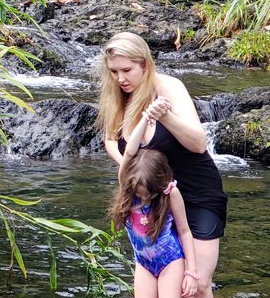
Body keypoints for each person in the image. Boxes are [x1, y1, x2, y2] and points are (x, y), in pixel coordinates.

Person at [97, 32, 227, 298]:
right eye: (113, 71)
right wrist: (130, 168)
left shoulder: (169, 88)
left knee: (197, 284)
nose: (120, 78)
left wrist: (165, 117)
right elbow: (111, 139)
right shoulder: (117, 95)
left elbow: (199, 144)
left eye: (127, 70)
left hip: (197, 194)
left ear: (145, 64)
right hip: (152, 201)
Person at [110, 118, 199, 298]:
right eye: (139, 194)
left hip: (170, 260)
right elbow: (128, 154)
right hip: (143, 263)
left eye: (149, 195)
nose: (143, 199)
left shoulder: (170, 193)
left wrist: (191, 272)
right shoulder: (127, 189)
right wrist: (144, 119)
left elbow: (185, 232)